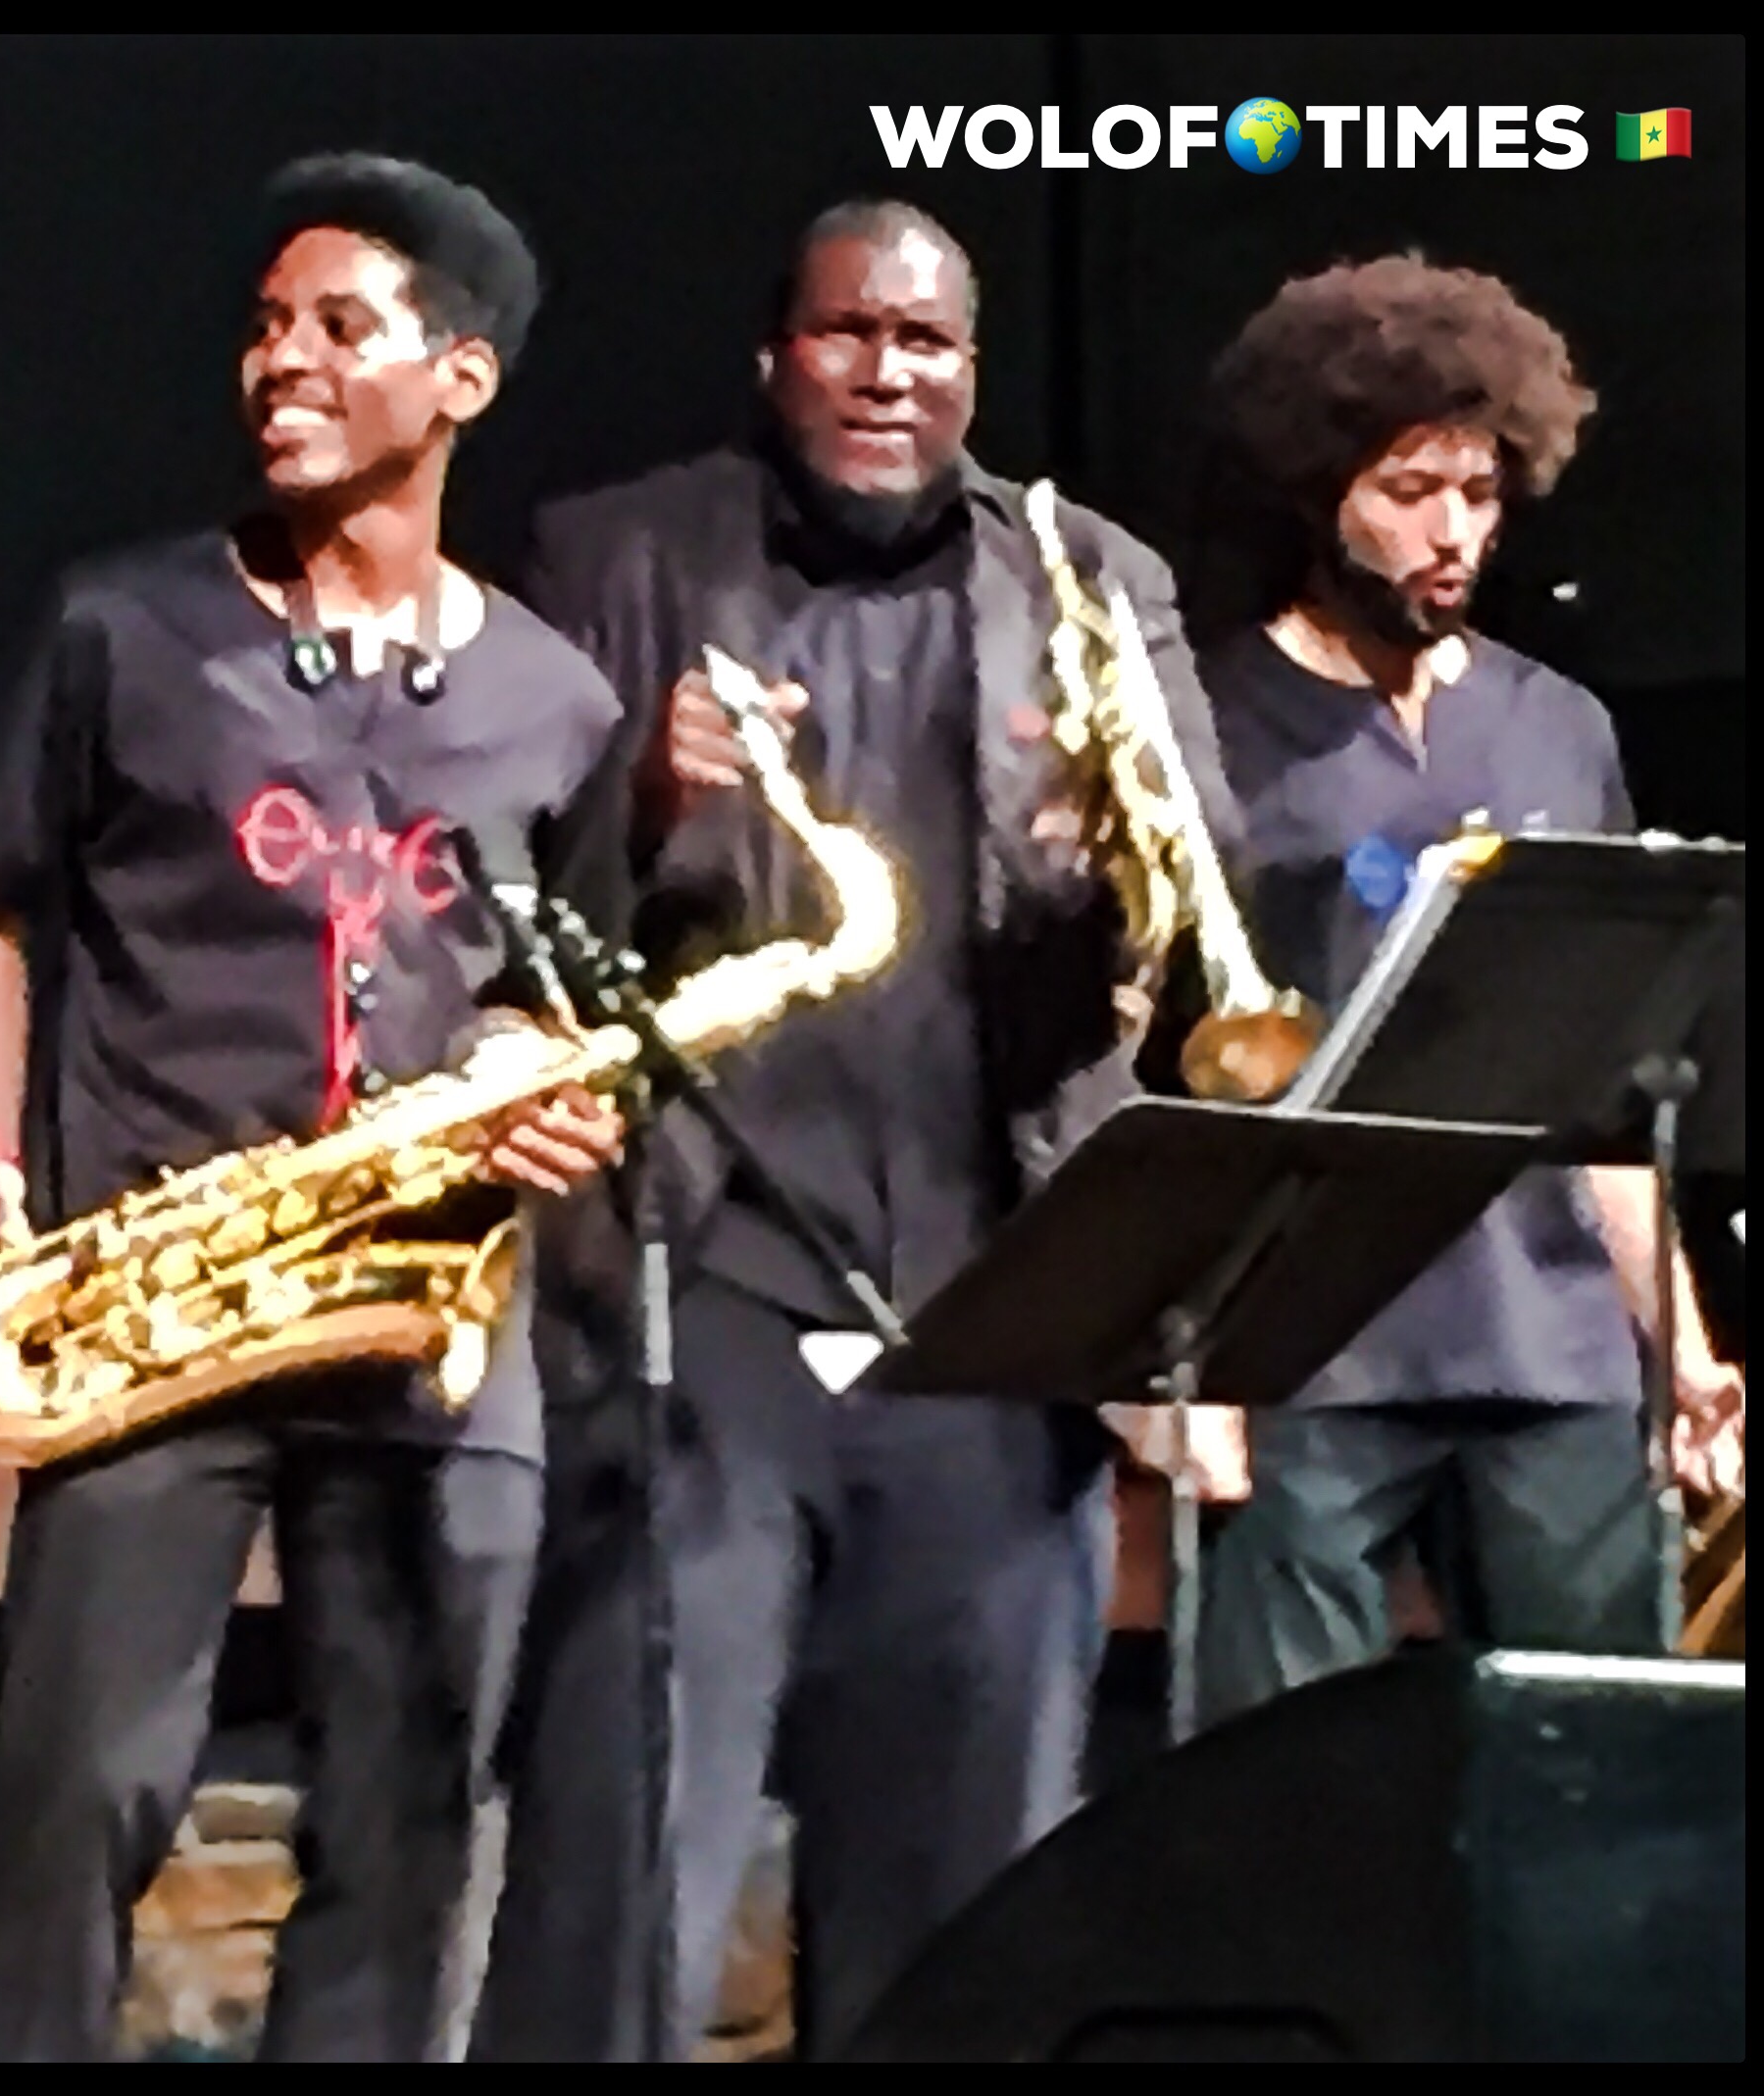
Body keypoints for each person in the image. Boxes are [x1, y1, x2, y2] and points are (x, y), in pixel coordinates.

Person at [470, 197, 1245, 2063]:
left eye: (927, 344)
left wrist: (1108, 847)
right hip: (698, 1299)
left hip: (997, 1313)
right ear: (776, 355)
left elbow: (1207, 886)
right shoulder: (613, 552)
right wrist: (644, 799)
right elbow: (487, 899)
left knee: (963, 1910)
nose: (889, 374)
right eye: (850, 334)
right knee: (625, 1891)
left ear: (972, 369)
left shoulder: (1090, 574)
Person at [0, 152, 627, 2063]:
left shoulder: (560, 700)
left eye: (340, 326)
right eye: (267, 326)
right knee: (79, 1794)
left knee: (410, 1813)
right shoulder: (122, 627)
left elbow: (563, 997)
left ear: (460, 378)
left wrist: (556, 1103)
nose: (281, 361)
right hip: (164, 1306)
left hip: (431, 1316)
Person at [1184, 255, 1745, 1727]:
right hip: (1316, 1346)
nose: (1452, 532)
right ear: (1320, 491)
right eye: (1410, 490)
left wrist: (1683, 1346)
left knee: (1600, 1757)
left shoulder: (1557, 726)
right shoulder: (1213, 721)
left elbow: (1603, 1074)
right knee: (1284, 1770)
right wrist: (1190, 1372)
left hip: (1550, 1344)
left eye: (1480, 494)